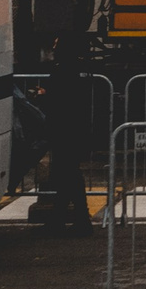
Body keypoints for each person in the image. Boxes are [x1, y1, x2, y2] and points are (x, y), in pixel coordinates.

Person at [39, 26, 96, 236]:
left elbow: (60, 98)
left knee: (68, 173)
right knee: (68, 173)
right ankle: (66, 218)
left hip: (64, 129)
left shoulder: (63, 68)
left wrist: (44, 93)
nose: (53, 47)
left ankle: (77, 219)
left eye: (56, 44)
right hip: (75, 128)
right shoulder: (77, 67)